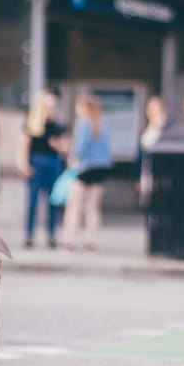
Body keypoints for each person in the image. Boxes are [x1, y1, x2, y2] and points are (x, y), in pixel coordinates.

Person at [62, 93, 113, 251]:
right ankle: (91, 240)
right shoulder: (102, 123)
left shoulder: (83, 123)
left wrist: (72, 158)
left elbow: (80, 146)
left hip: (84, 168)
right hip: (100, 169)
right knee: (93, 208)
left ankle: (69, 240)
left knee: (74, 206)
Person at [17, 89, 66, 249]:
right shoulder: (32, 125)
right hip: (36, 163)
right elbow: (23, 145)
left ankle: (51, 235)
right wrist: (23, 164)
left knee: (53, 201)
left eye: (54, 107)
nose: (52, 110)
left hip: (53, 163)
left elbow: (66, 147)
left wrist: (58, 146)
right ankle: (29, 235)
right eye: (49, 106)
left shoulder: (58, 126)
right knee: (32, 201)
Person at [135, 95, 170, 203]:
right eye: (150, 109)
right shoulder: (145, 131)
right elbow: (140, 155)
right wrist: (137, 177)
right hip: (147, 171)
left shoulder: (167, 128)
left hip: (163, 172)